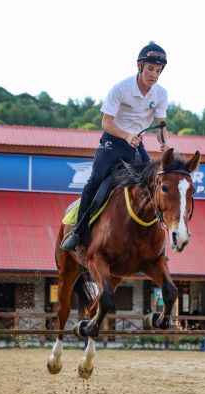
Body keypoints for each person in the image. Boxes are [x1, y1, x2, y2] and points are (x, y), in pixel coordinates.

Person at [61, 41, 170, 251]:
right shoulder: (121, 88)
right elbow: (106, 123)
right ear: (140, 67)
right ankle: (79, 232)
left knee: (153, 185)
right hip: (113, 142)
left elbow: (161, 125)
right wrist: (126, 135)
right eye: (150, 69)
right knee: (94, 182)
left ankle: (155, 237)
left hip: (136, 145)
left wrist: (165, 143)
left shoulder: (161, 94)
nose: (154, 75)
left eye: (158, 71)